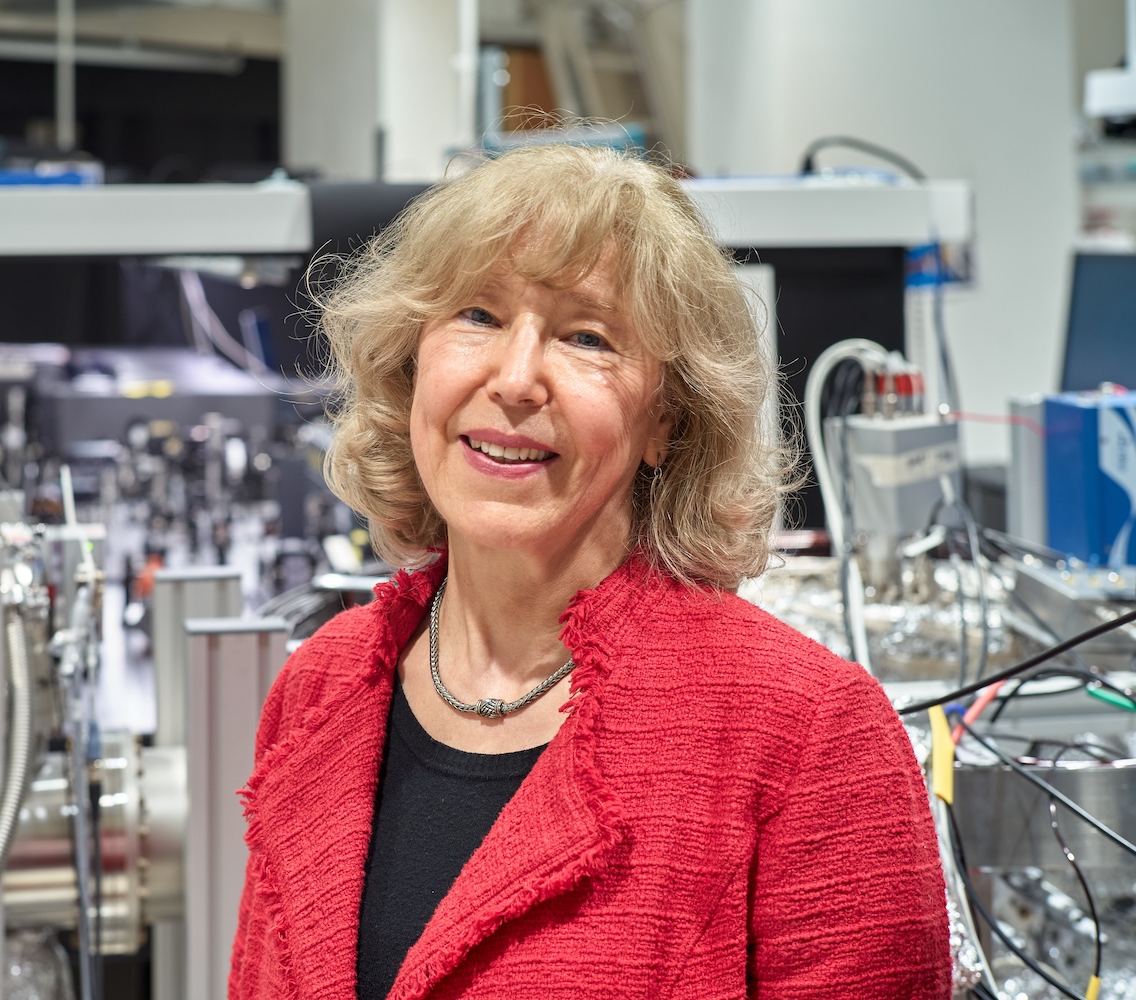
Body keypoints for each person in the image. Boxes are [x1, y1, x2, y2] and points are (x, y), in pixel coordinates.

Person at [230, 143, 949, 1000]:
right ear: (410, 363)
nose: (517, 378)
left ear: (665, 425)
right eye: (477, 316)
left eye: (586, 336)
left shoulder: (807, 736)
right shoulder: (322, 688)